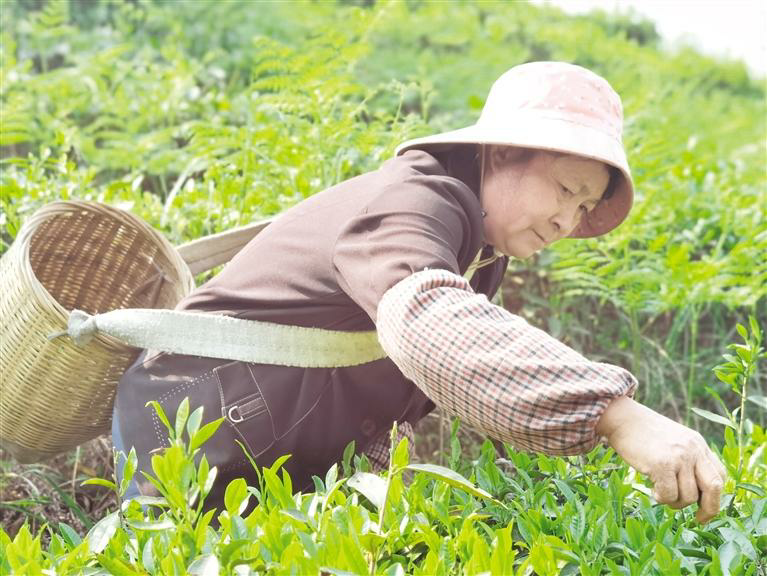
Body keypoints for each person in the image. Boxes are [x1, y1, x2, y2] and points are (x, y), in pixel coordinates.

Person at [112, 61, 726, 524]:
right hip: (194, 425)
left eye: (586, 205)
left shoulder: (481, 246)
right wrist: (616, 415)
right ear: (503, 151)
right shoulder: (417, 200)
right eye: (566, 189)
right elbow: (427, 318)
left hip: (268, 435)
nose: (569, 220)